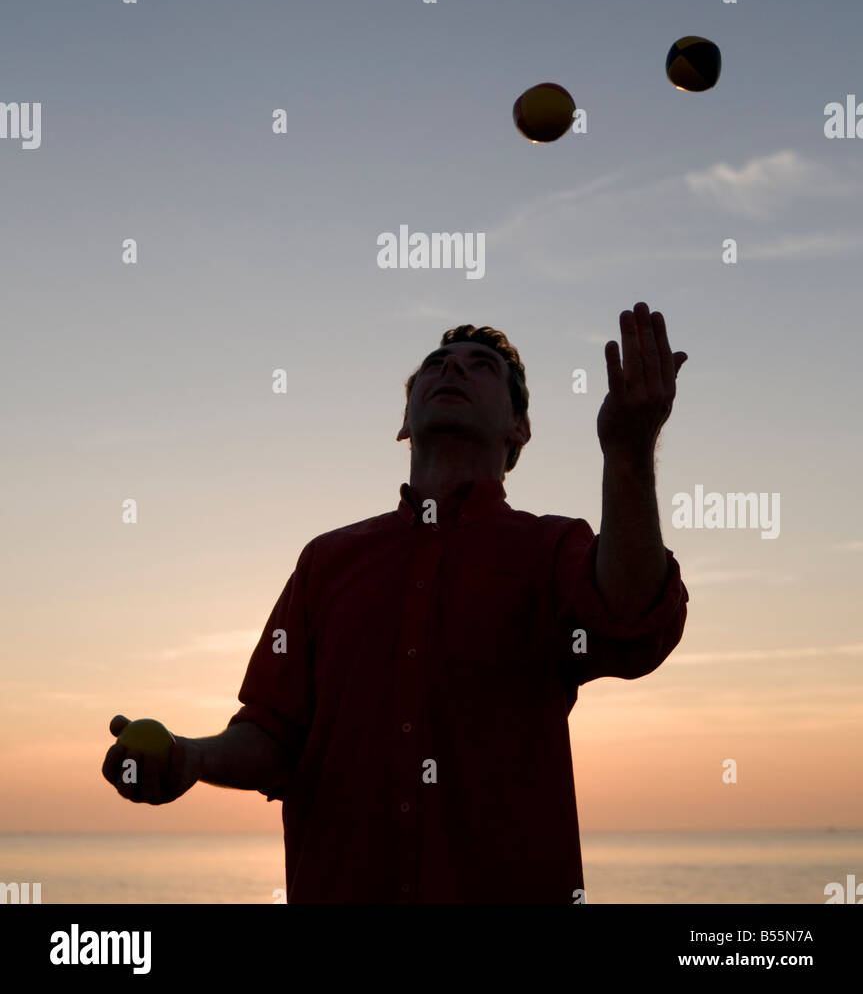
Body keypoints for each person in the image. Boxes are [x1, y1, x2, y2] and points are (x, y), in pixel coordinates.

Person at [103, 302, 689, 904]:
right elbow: (272, 736)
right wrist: (189, 757)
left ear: (520, 428)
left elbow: (632, 624)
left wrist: (628, 451)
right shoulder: (326, 562)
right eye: (436, 365)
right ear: (405, 422)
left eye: (480, 367)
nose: (452, 370)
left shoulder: (554, 548)